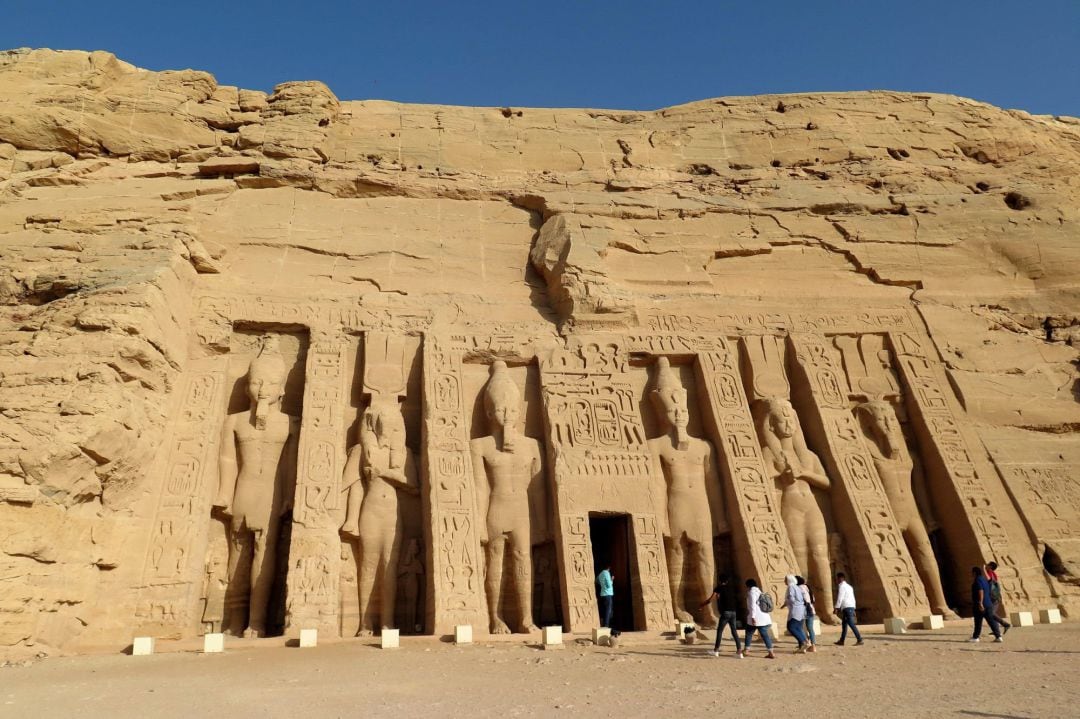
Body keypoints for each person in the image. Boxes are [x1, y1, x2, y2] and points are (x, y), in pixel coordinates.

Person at [700, 574, 741, 657]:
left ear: (720, 581)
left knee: (720, 631)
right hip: (733, 612)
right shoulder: (731, 589)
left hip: (726, 612)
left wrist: (702, 605)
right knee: (734, 631)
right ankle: (739, 651)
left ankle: (716, 651)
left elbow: (711, 599)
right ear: (727, 581)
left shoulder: (719, 588)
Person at [741, 578, 775, 659]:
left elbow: (753, 605)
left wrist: (753, 617)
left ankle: (746, 650)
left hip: (756, 617)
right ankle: (771, 652)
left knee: (749, 633)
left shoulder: (752, 592)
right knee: (764, 635)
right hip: (764, 616)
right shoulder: (759, 591)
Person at [970, 566, 1003, 643]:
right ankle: (998, 636)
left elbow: (980, 591)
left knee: (978, 621)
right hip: (988, 604)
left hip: (981, 604)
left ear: (974, 573)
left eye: (972, 573)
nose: (971, 574)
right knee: (991, 621)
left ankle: (976, 637)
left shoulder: (977, 580)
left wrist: (980, 603)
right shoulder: (984, 579)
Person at [833, 572, 864, 646]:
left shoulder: (842, 586)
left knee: (851, 623)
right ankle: (842, 640)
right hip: (850, 607)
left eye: (837, 578)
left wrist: (836, 607)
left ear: (840, 578)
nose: (836, 580)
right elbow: (853, 598)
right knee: (844, 625)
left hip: (847, 607)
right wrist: (854, 608)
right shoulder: (850, 587)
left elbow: (840, 598)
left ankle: (859, 639)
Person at [782, 574, 810, 653]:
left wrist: (789, 603)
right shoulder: (797, 587)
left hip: (796, 609)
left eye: (785, 579)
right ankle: (803, 645)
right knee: (798, 627)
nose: (784, 581)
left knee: (791, 627)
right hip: (801, 609)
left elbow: (791, 598)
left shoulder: (791, 587)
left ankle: (804, 642)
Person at [984, 561, 1011, 634]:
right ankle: (996, 630)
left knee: (991, 613)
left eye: (987, 565)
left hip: (994, 597)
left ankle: (1005, 624)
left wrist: (984, 570)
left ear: (990, 567)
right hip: (995, 597)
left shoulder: (990, 574)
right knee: (992, 613)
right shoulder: (993, 574)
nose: (986, 565)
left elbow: (989, 579)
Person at [796, 575, 817, 651]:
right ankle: (813, 645)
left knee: (801, 628)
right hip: (811, 609)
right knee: (810, 628)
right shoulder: (808, 588)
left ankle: (805, 644)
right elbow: (813, 599)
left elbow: (803, 599)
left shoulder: (799, 588)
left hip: (804, 610)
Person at [597, 564, 614, 628]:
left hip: (603, 593)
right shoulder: (606, 573)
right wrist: (612, 580)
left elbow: (597, 581)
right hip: (607, 594)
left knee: (606, 609)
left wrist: (602, 585)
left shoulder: (600, 574)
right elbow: (609, 585)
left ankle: (604, 623)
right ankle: (606, 625)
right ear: (608, 568)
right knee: (608, 610)